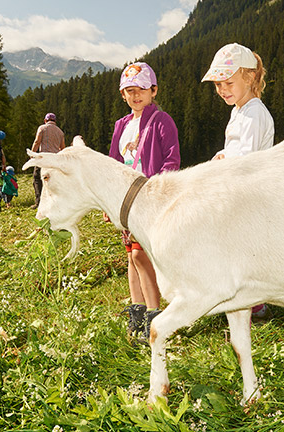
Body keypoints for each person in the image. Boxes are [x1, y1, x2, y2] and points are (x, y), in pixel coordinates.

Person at [107, 62, 180, 341]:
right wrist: (109, 201)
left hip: (149, 199)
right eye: (129, 90)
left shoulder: (162, 121)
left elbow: (172, 159)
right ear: (123, 94)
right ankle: (137, 312)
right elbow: (113, 164)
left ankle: (154, 315)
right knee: (131, 256)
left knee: (141, 255)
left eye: (141, 89)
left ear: (153, 90)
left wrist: (157, 192)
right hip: (125, 201)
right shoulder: (121, 125)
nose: (136, 95)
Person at [202, 43, 274, 319]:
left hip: (249, 190)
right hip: (235, 186)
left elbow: (248, 158)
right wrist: (220, 157)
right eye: (218, 84)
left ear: (250, 77)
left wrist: (225, 164)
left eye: (228, 82)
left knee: (244, 248)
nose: (222, 90)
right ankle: (243, 300)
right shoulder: (239, 111)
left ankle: (253, 305)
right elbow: (233, 149)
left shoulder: (254, 113)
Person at [30, 113, 65, 208]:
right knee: (53, 180)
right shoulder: (60, 132)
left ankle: (39, 202)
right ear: (55, 121)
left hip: (43, 158)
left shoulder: (42, 128)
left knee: (37, 178)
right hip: (54, 159)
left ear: (45, 120)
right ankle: (54, 202)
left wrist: (32, 154)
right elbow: (62, 148)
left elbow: (37, 142)